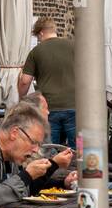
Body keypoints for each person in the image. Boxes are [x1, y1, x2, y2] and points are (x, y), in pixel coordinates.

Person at [19, 17, 77, 148]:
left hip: (49, 108)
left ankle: (53, 167)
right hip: (75, 106)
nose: (38, 41)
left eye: (37, 38)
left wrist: (21, 98)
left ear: (41, 33)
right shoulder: (74, 46)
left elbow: (24, 81)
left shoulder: (36, 52)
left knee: (49, 150)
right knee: (78, 149)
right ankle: (77, 168)